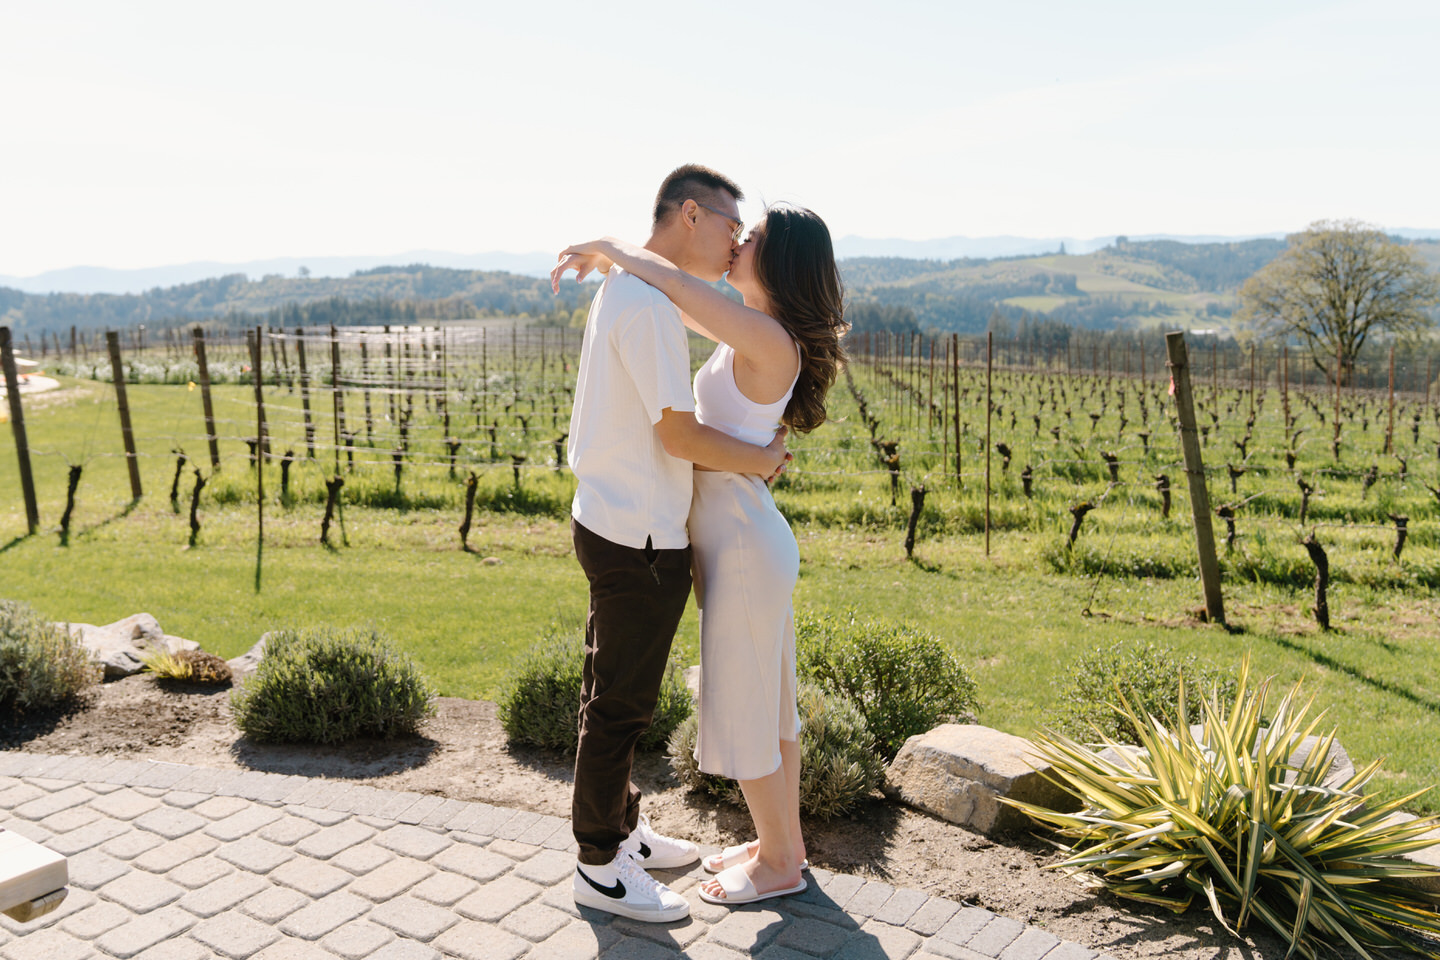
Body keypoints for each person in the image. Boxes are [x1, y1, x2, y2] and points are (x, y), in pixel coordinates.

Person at [554, 201, 847, 908]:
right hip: (740, 538)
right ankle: (785, 846)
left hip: (741, 545)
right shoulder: (752, 328)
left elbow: (675, 286)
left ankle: (778, 862)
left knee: (747, 705)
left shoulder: (767, 336)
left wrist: (607, 243)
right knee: (773, 708)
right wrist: (619, 267)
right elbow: (665, 297)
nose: (742, 241)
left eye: (758, 237)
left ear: (783, 263)